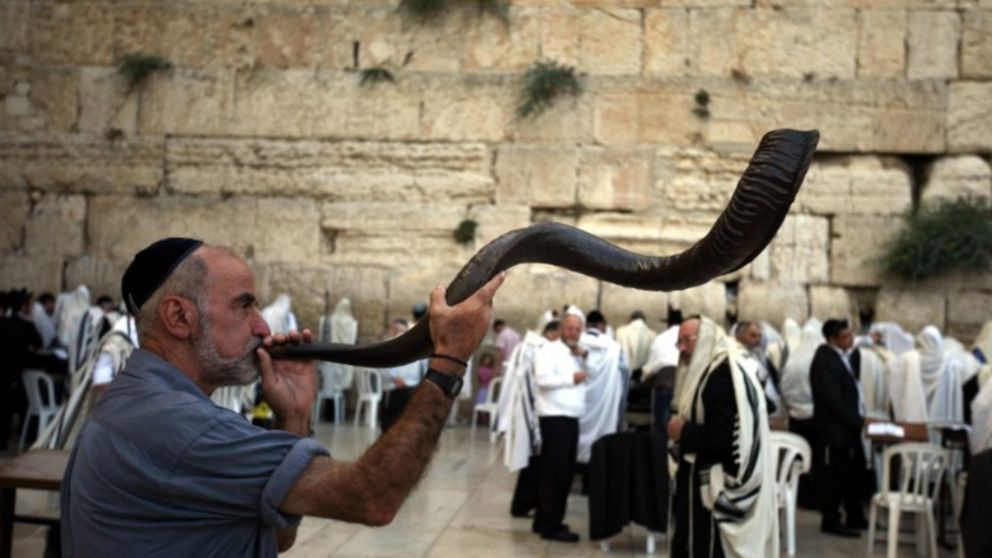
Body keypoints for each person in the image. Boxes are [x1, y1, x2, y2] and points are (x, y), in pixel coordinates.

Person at [61, 237, 505, 557]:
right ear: (180, 316)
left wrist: (293, 416)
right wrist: (449, 362)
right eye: (244, 305)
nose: (262, 327)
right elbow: (373, 498)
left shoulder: (141, 400)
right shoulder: (183, 428)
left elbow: (277, 538)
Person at [667, 317, 778, 558]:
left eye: (687, 341)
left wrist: (682, 432)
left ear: (706, 340)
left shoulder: (721, 374)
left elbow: (722, 439)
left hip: (713, 490)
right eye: (679, 343)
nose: (682, 349)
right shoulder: (713, 369)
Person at [531, 312, 587, 542]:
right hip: (556, 419)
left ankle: (545, 520)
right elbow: (542, 379)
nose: (573, 333)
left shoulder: (574, 352)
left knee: (556, 473)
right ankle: (551, 527)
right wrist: (570, 378)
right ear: (561, 328)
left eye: (577, 329)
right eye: (570, 328)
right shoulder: (548, 350)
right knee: (558, 474)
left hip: (568, 418)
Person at [809, 319, 867, 537]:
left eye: (851, 335)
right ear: (832, 339)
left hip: (846, 428)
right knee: (835, 477)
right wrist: (857, 420)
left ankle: (855, 516)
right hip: (835, 431)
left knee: (852, 473)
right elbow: (832, 400)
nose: (851, 339)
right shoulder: (825, 360)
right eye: (846, 336)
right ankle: (831, 520)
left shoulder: (840, 355)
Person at [380, 318, 427, 432]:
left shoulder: (397, 342)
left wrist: (396, 378)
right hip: (405, 387)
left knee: (393, 423)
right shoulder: (413, 343)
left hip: (401, 388)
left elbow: (385, 364)